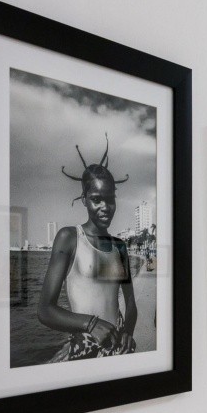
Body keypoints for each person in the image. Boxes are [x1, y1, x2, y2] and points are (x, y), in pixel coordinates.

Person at [38, 134, 138, 361]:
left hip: (118, 349)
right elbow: (45, 309)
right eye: (96, 199)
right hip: (85, 348)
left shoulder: (119, 247)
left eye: (110, 199)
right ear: (84, 199)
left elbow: (130, 303)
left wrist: (128, 332)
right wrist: (91, 324)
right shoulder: (70, 238)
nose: (105, 207)